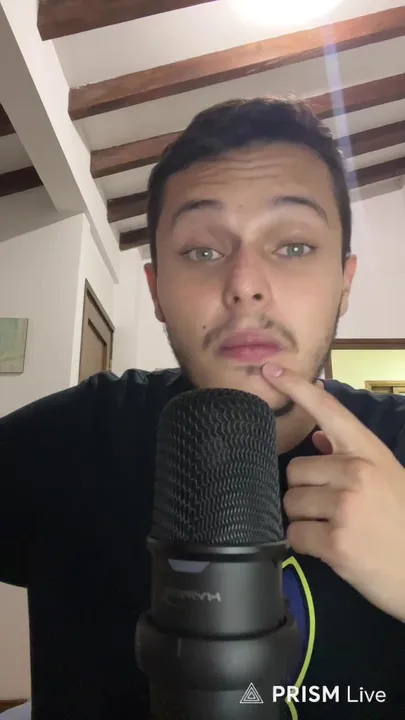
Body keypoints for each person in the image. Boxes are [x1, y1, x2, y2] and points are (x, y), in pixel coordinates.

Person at [1, 97, 405, 720]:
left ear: (344, 283)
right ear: (157, 292)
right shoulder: (72, 440)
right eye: (202, 252)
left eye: (294, 246)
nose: (244, 284)